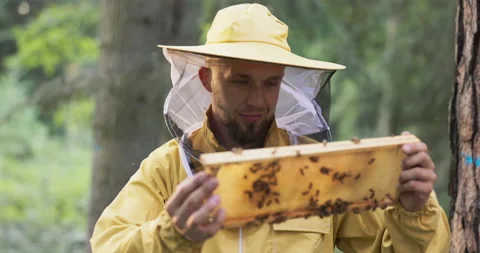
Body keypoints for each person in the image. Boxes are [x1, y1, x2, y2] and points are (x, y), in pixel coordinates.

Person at [90, 3, 451, 253]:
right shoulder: (169, 169)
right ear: (206, 79)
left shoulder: (317, 171)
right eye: (240, 82)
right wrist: (172, 233)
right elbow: (108, 245)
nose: (257, 101)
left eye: (270, 83)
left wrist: (413, 209)